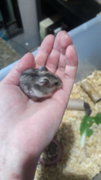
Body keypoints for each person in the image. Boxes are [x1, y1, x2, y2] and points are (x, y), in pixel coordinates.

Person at [0, 31, 78, 180]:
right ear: (45, 84)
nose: (58, 85)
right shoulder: (41, 88)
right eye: (55, 84)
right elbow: (41, 91)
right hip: (31, 85)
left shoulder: (42, 74)